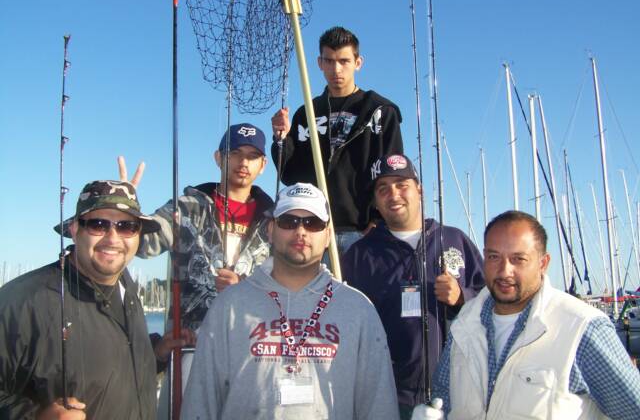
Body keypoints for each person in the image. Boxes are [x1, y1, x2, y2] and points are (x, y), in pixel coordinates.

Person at [181, 183, 400, 420]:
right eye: (289, 221)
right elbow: (200, 403)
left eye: (313, 223)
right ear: (271, 230)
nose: (301, 231)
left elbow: (380, 406)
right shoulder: (228, 306)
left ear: (327, 235)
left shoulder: (360, 310)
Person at [433, 210, 640, 419]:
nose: (505, 271)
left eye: (518, 259)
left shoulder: (582, 329)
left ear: (543, 263)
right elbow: (443, 398)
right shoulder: (464, 325)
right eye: (494, 257)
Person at [0, 180, 162, 419]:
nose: (113, 238)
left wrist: (157, 354)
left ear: (138, 235)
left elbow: (111, 360)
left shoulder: (126, 288)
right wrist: (35, 417)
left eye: (127, 226)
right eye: (98, 224)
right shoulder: (23, 301)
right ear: (75, 230)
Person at [341, 154, 484, 420]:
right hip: (386, 398)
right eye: (382, 189)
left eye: (401, 184)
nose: (393, 194)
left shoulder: (455, 240)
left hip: (456, 395)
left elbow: (492, 300)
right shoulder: (359, 255)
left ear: (419, 190)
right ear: (375, 201)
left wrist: (462, 297)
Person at [271, 26, 404, 254]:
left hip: (363, 232)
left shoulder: (380, 110)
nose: (336, 69)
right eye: (329, 61)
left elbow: (391, 170)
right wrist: (281, 139)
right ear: (319, 63)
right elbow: (290, 174)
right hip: (315, 230)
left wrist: (377, 221)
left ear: (358, 62)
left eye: (344, 61)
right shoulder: (307, 113)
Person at [135, 123, 274, 332]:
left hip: (254, 340)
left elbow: (287, 282)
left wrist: (244, 287)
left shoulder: (275, 219)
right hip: (192, 342)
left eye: (253, 156)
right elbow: (143, 242)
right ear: (218, 158)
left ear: (263, 165)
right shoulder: (187, 207)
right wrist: (124, 212)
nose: (243, 161)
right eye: (235, 152)